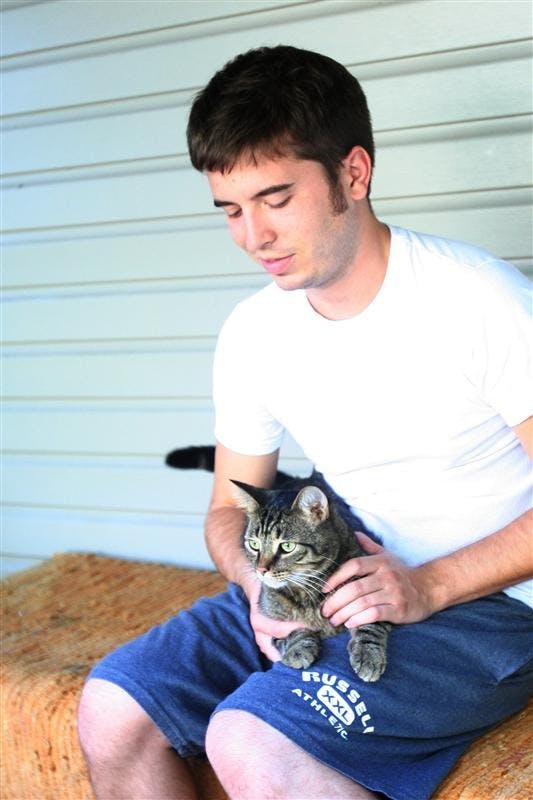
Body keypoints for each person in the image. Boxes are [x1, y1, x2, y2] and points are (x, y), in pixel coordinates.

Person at [78, 45, 533, 800]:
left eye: (276, 198)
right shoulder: (254, 332)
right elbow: (228, 507)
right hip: (338, 571)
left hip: (490, 602)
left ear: (352, 174)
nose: (251, 235)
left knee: (250, 740)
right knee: (111, 710)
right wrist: (258, 582)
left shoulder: (480, 300)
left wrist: (426, 585)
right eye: (230, 208)